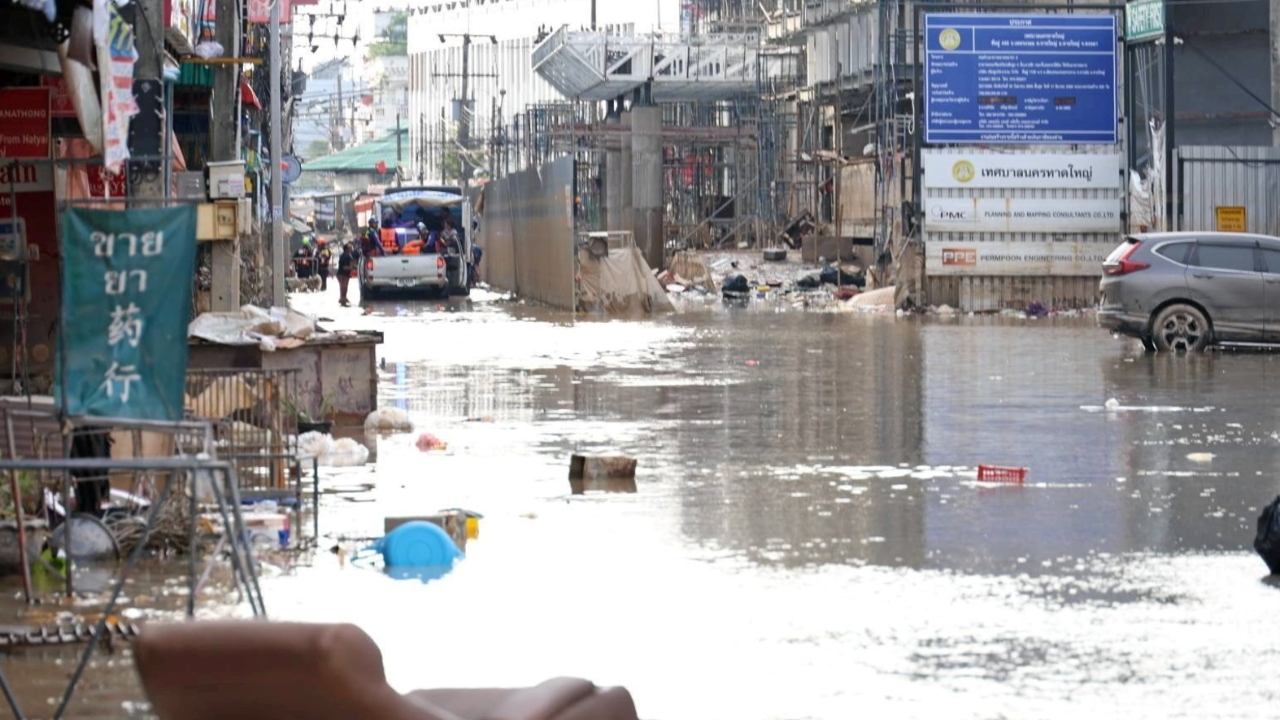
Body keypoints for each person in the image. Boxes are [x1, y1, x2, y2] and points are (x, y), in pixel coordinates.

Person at [337, 241, 355, 307]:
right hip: (342, 274)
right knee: (343, 287)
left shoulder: (349, 255)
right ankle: (342, 299)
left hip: (345, 274)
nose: (352, 248)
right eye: (350, 247)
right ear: (347, 249)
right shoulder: (344, 256)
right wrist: (351, 268)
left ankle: (344, 298)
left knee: (345, 287)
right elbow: (344, 267)